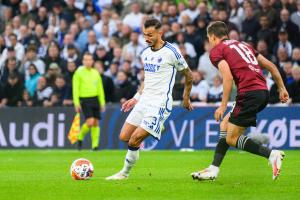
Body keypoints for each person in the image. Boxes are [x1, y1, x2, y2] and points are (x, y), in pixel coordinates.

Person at [191, 21, 289, 181]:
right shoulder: (244, 45)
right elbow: (271, 66)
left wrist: (222, 106)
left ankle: (272, 154)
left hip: (248, 93)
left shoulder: (217, 51)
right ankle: (213, 169)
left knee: (231, 138)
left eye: (209, 38)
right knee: (225, 125)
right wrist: (282, 88)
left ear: (213, 37)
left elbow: (227, 77)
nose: (209, 42)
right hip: (262, 91)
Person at [105, 18, 193, 180]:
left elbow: (189, 75)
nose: (147, 38)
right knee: (124, 137)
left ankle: (124, 173)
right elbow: (147, 79)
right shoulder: (145, 53)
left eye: (150, 35)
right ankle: (158, 126)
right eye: (145, 34)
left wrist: (185, 97)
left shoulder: (171, 52)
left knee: (134, 139)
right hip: (144, 100)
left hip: (160, 103)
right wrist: (135, 97)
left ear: (160, 33)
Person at [72, 52, 106, 151]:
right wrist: (76, 102)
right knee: (90, 122)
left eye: (89, 60)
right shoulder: (78, 73)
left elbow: (100, 88)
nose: (88, 62)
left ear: (92, 61)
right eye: (86, 60)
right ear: (83, 61)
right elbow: (75, 89)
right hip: (85, 99)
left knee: (96, 122)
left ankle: (95, 146)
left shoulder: (95, 73)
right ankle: (80, 137)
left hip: (95, 98)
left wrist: (102, 102)